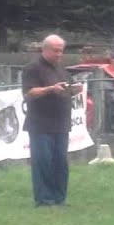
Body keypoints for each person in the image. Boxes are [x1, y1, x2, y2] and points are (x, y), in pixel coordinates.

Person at [21, 35, 82, 207]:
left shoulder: (61, 69)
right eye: (55, 50)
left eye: (61, 50)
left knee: (60, 162)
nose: (59, 54)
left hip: (61, 123)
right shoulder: (32, 68)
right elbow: (29, 93)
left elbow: (67, 88)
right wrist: (50, 89)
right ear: (45, 49)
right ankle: (43, 199)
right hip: (41, 123)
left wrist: (74, 89)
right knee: (43, 161)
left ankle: (59, 197)